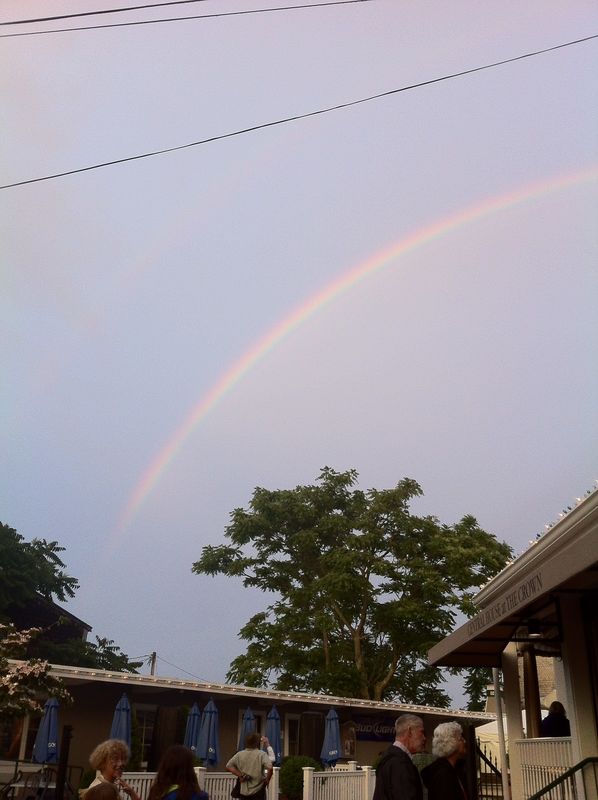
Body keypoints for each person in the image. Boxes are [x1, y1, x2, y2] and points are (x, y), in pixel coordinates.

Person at [372, 714, 426, 800]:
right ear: (410, 731)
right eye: (421, 732)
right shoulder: (400, 763)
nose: (424, 738)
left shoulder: (390, 758)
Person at [421, 721, 468, 800]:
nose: (464, 741)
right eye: (461, 738)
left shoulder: (454, 769)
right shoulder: (443, 775)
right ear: (452, 743)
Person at [226, 733, 273, 800]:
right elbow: (270, 768)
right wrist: (267, 779)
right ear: (257, 743)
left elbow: (228, 766)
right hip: (258, 791)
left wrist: (241, 775)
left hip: (243, 792)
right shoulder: (261, 754)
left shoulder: (239, 754)